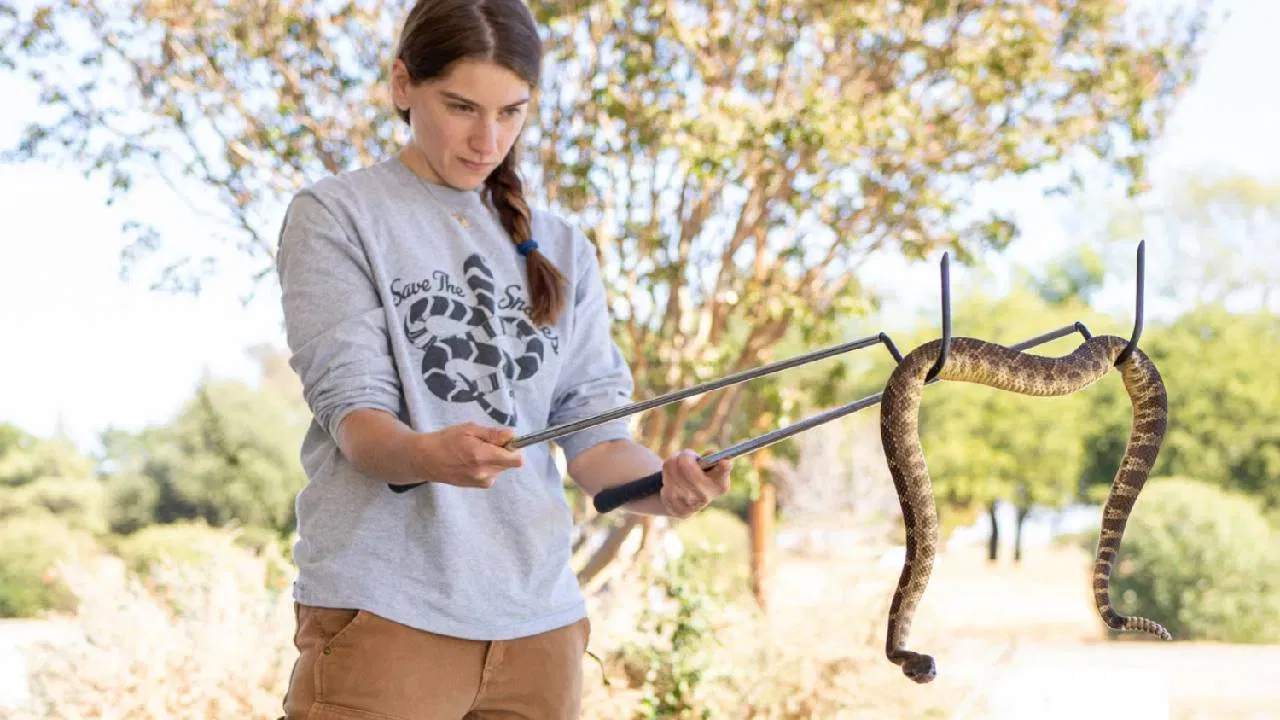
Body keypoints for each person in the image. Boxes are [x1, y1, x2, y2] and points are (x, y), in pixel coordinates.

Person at [273, 0, 732, 718]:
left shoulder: (564, 247)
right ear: (402, 85)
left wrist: (664, 488)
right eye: (461, 107)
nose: (488, 139)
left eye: (512, 112)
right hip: (388, 615)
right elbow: (355, 418)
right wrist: (429, 453)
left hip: (540, 625)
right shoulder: (338, 214)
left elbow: (594, 440)